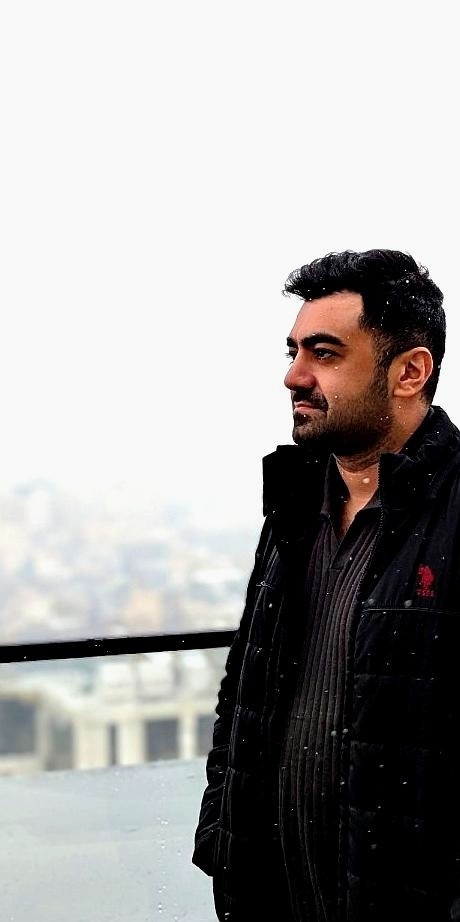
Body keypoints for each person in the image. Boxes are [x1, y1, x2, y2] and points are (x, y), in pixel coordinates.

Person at [192, 249, 460, 922]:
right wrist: (222, 841)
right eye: (294, 352)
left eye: (325, 353)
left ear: (409, 372)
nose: (294, 376)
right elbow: (243, 692)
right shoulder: (295, 508)